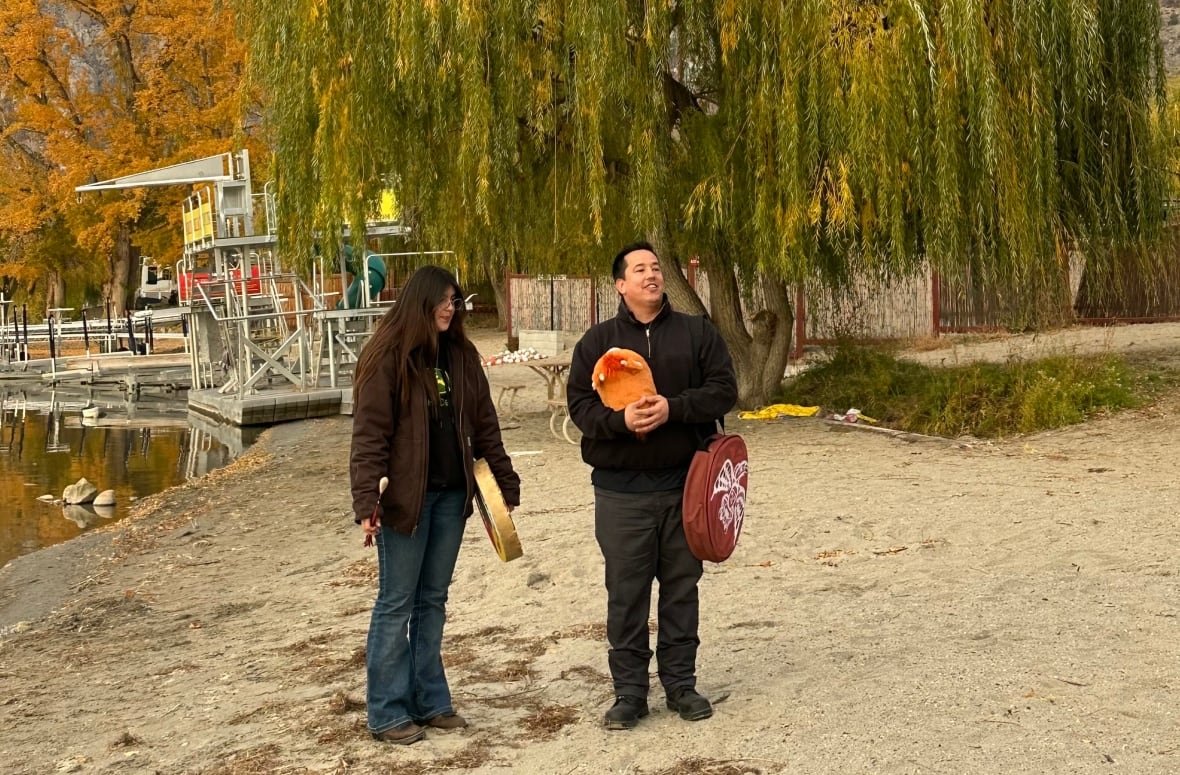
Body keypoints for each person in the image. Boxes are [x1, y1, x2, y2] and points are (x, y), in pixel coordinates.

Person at [567, 241, 738, 730]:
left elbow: (725, 389)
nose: (651, 275)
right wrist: (621, 420)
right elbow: (581, 409)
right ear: (620, 284)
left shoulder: (696, 333)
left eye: (656, 267)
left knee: (682, 588)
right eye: (639, 269)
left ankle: (681, 685)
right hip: (621, 492)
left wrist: (674, 408)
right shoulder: (596, 343)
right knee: (626, 592)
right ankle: (629, 693)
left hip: (687, 485)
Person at [350, 265, 521, 744]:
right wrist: (367, 499)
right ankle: (386, 712)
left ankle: (431, 701)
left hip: (452, 498)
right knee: (396, 603)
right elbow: (369, 435)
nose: (451, 307)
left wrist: (504, 483)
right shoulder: (387, 357)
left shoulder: (461, 355)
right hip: (405, 501)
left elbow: (485, 424)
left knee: (433, 601)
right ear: (420, 302)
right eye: (443, 300)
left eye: (455, 300)